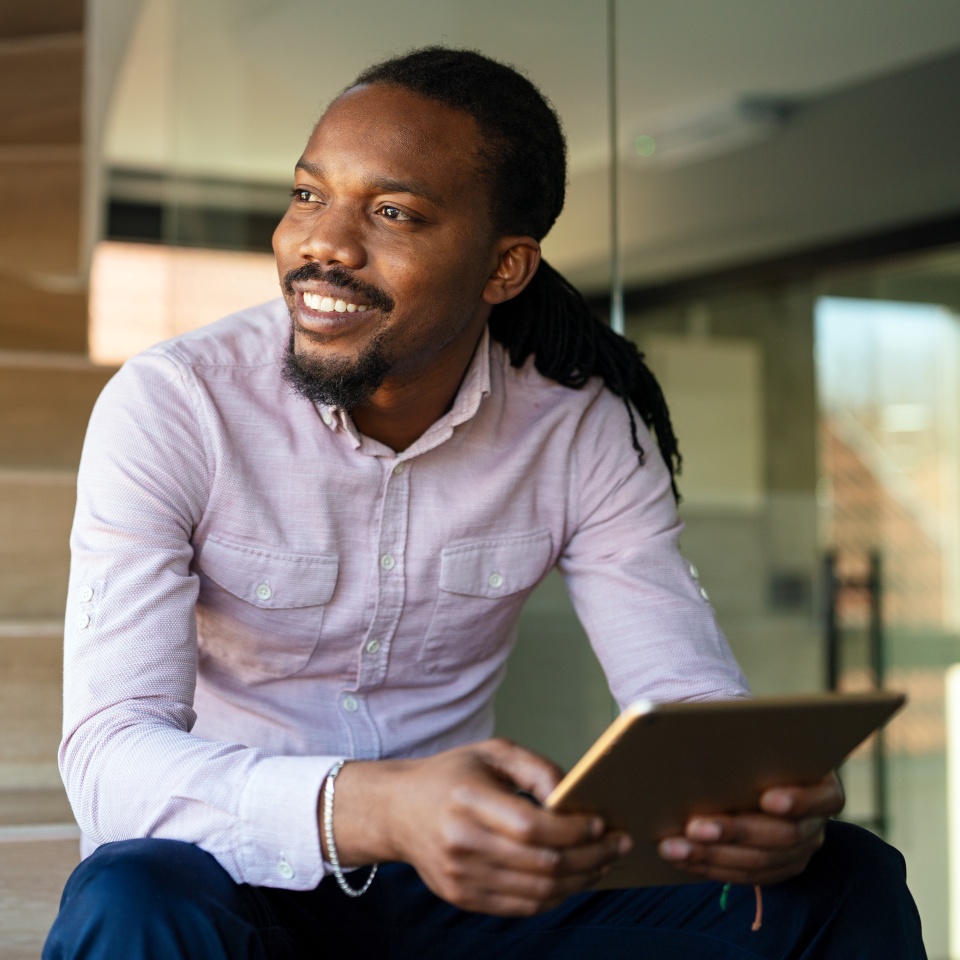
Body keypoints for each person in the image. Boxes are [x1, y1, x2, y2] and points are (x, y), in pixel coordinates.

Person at [45, 47, 924, 958]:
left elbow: (683, 700)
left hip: (469, 892)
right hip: (244, 872)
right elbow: (111, 764)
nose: (322, 244)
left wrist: (747, 802)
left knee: (841, 875)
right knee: (129, 892)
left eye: (393, 213)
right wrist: (380, 808)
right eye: (309, 195)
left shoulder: (579, 429)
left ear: (505, 267)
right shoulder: (178, 406)